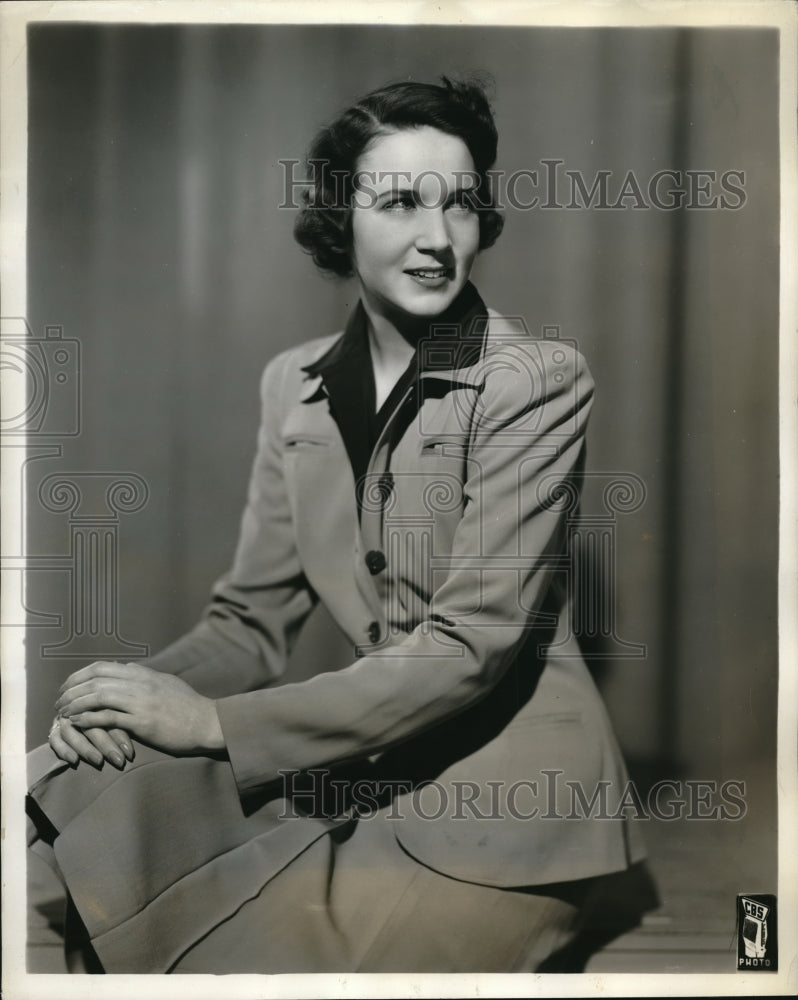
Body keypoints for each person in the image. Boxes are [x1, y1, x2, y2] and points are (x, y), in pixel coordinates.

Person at [27, 76, 656, 974]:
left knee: (276, 975)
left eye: (462, 205)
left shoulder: (537, 378)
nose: (438, 239)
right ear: (339, 218)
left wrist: (210, 725)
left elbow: (468, 645)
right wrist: (118, 699)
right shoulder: (294, 384)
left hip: (509, 810)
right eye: (399, 202)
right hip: (352, 769)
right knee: (90, 791)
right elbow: (247, 623)